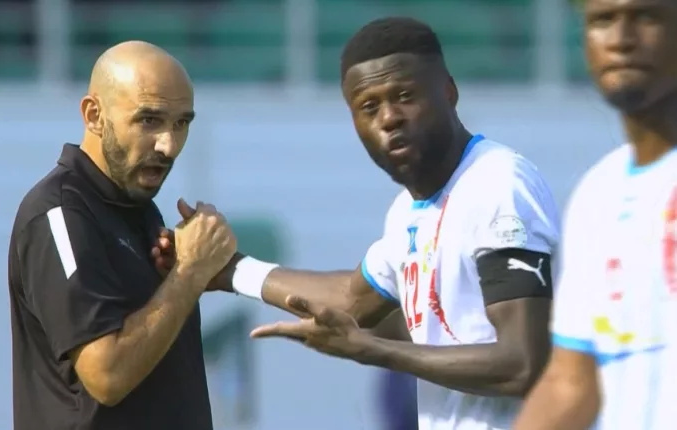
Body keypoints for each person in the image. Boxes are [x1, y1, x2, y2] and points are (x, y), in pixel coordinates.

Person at [191, 17, 560, 429]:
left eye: (404, 96)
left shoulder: (498, 183)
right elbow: (353, 300)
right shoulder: (406, 211)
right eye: (369, 107)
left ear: (449, 92)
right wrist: (231, 270)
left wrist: (373, 350)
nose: (389, 118)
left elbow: (521, 363)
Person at [7, 40, 237, 430]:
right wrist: (188, 275)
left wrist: (195, 267)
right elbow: (107, 376)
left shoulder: (138, 207)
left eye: (181, 123)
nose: (168, 145)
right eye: (149, 120)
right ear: (94, 115)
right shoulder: (57, 214)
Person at [514, 0, 677, 428]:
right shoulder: (598, 191)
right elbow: (572, 382)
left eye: (647, 17)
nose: (621, 39)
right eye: (603, 20)